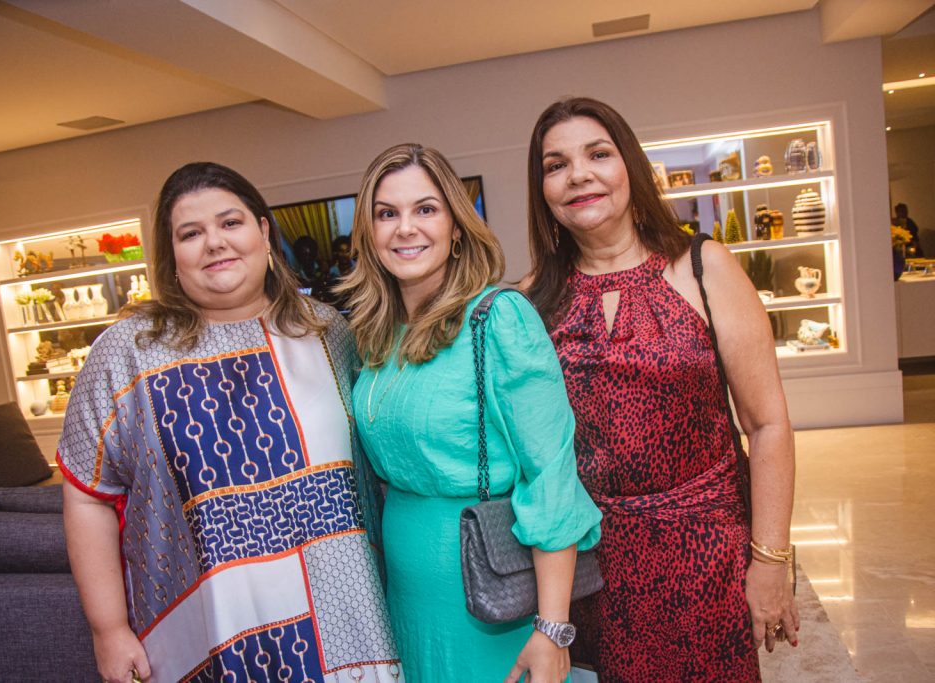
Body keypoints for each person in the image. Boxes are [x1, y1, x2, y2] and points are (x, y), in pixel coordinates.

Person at [58, 162, 401, 683]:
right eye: (191, 234)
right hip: (208, 635)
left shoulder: (330, 333)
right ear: (171, 256)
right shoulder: (127, 354)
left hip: (350, 626)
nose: (214, 243)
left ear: (264, 232)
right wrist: (108, 629)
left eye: (230, 223)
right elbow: (87, 494)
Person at [523, 98, 798, 682]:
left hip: (709, 554)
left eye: (598, 154)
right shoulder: (531, 302)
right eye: (555, 164)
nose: (578, 175)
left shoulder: (704, 267)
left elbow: (767, 423)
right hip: (593, 566)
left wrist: (770, 560)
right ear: (542, 190)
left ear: (631, 167)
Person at [338, 143, 601, 682]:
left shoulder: (498, 318)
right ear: (368, 232)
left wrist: (552, 629)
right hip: (402, 595)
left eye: (426, 209)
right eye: (387, 213)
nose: (405, 228)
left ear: (457, 226)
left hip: (488, 597)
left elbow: (549, 475)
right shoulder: (376, 334)